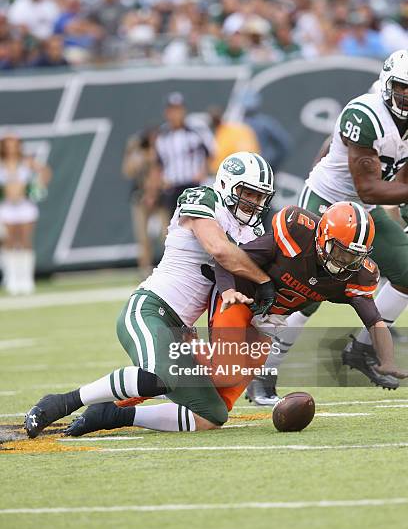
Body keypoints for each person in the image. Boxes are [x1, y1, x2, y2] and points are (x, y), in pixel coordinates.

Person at [24, 152, 275, 438]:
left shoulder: (252, 231)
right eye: (248, 193)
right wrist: (262, 278)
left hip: (180, 330)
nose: (254, 202)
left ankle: (115, 414)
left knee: (212, 414)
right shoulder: (204, 198)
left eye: (260, 196)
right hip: (150, 308)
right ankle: (62, 401)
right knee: (160, 376)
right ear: (227, 184)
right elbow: (218, 249)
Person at [252, 49, 408, 403]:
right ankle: (264, 373)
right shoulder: (365, 115)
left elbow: (400, 180)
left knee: (407, 270)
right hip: (327, 204)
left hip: (366, 212)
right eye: (403, 88)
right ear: (387, 85)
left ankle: (362, 349)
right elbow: (368, 185)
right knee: (306, 294)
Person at [0, 134, 51, 295]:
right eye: (8, 144)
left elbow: (45, 172)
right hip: (6, 207)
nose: (11, 147)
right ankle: (12, 279)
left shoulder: (26, 161)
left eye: (14, 143)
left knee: (25, 242)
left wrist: (36, 188)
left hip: (25, 207)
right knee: (9, 242)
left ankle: (26, 279)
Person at [155, 92, 213, 215]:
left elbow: (210, 152)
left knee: (197, 220)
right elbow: (159, 162)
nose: (175, 114)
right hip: (172, 187)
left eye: (178, 109)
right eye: (172, 110)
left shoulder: (196, 129)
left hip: (194, 185)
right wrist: (162, 181)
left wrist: (202, 173)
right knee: (175, 226)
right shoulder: (162, 135)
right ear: (167, 112)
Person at [121, 127, 167, 272]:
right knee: (143, 238)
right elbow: (127, 172)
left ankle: (170, 268)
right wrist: (129, 152)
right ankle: (144, 270)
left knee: (166, 235)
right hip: (140, 199)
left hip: (159, 199)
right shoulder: (139, 156)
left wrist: (152, 194)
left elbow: (158, 176)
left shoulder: (161, 153)